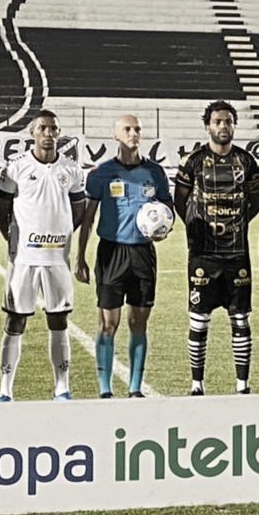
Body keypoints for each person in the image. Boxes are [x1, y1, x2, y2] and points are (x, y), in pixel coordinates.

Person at [75, 115, 171, 398]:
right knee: (108, 323)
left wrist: (164, 228)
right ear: (115, 135)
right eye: (127, 129)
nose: (133, 133)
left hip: (143, 254)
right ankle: (105, 389)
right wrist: (80, 256)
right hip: (111, 253)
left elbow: (167, 210)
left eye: (137, 129)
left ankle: (135, 388)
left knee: (138, 323)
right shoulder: (101, 174)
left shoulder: (155, 173)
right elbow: (88, 219)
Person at [0, 110, 87, 401]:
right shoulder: (15, 167)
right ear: (32, 132)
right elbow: (1, 208)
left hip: (58, 258)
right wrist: (12, 238)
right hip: (24, 258)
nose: (48, 134)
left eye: (53, 129)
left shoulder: (72, 170)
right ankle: (5, 389)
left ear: (59, 134)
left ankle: (62, 386)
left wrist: (63, 231)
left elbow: (79, 208)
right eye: (43, 128)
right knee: (15, 321)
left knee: (58, 320)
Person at [174, 100, 259, 395]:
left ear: (234, 125)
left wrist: (235, 224)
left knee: (240, 318)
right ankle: (197, 384)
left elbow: (255, 203)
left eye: (228, 121)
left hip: (237, 255)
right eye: (217, 122)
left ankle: (242, 385)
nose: (223, 126)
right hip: (203, 255)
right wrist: (198, 228)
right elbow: (180, 200)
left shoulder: (247, 162)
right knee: (199, 320)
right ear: (207, 126)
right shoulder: (193, 161)